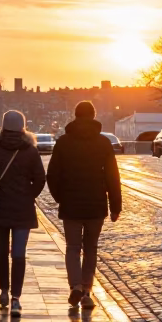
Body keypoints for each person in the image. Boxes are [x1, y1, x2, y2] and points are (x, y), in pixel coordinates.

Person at [46, 100, 121, 310]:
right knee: (90, 249)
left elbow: (52, 175)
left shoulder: (63, 142)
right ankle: (87, 291)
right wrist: (115, 206)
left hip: (70, 204)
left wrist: (60, 197)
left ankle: (75, 286)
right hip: (96, 204)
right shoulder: (103, 143)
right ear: (93, 115)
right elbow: (113, 177)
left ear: (75, 115)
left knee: (72, 248)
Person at [0, 110, 46, 313]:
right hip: (23, 210)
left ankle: (4, 290)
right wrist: (28, 195)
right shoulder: (30, 151)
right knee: (18, 254)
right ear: (23, 127)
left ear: (4, 127)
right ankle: (16, 297)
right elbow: (40, 179)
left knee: (0, 251)